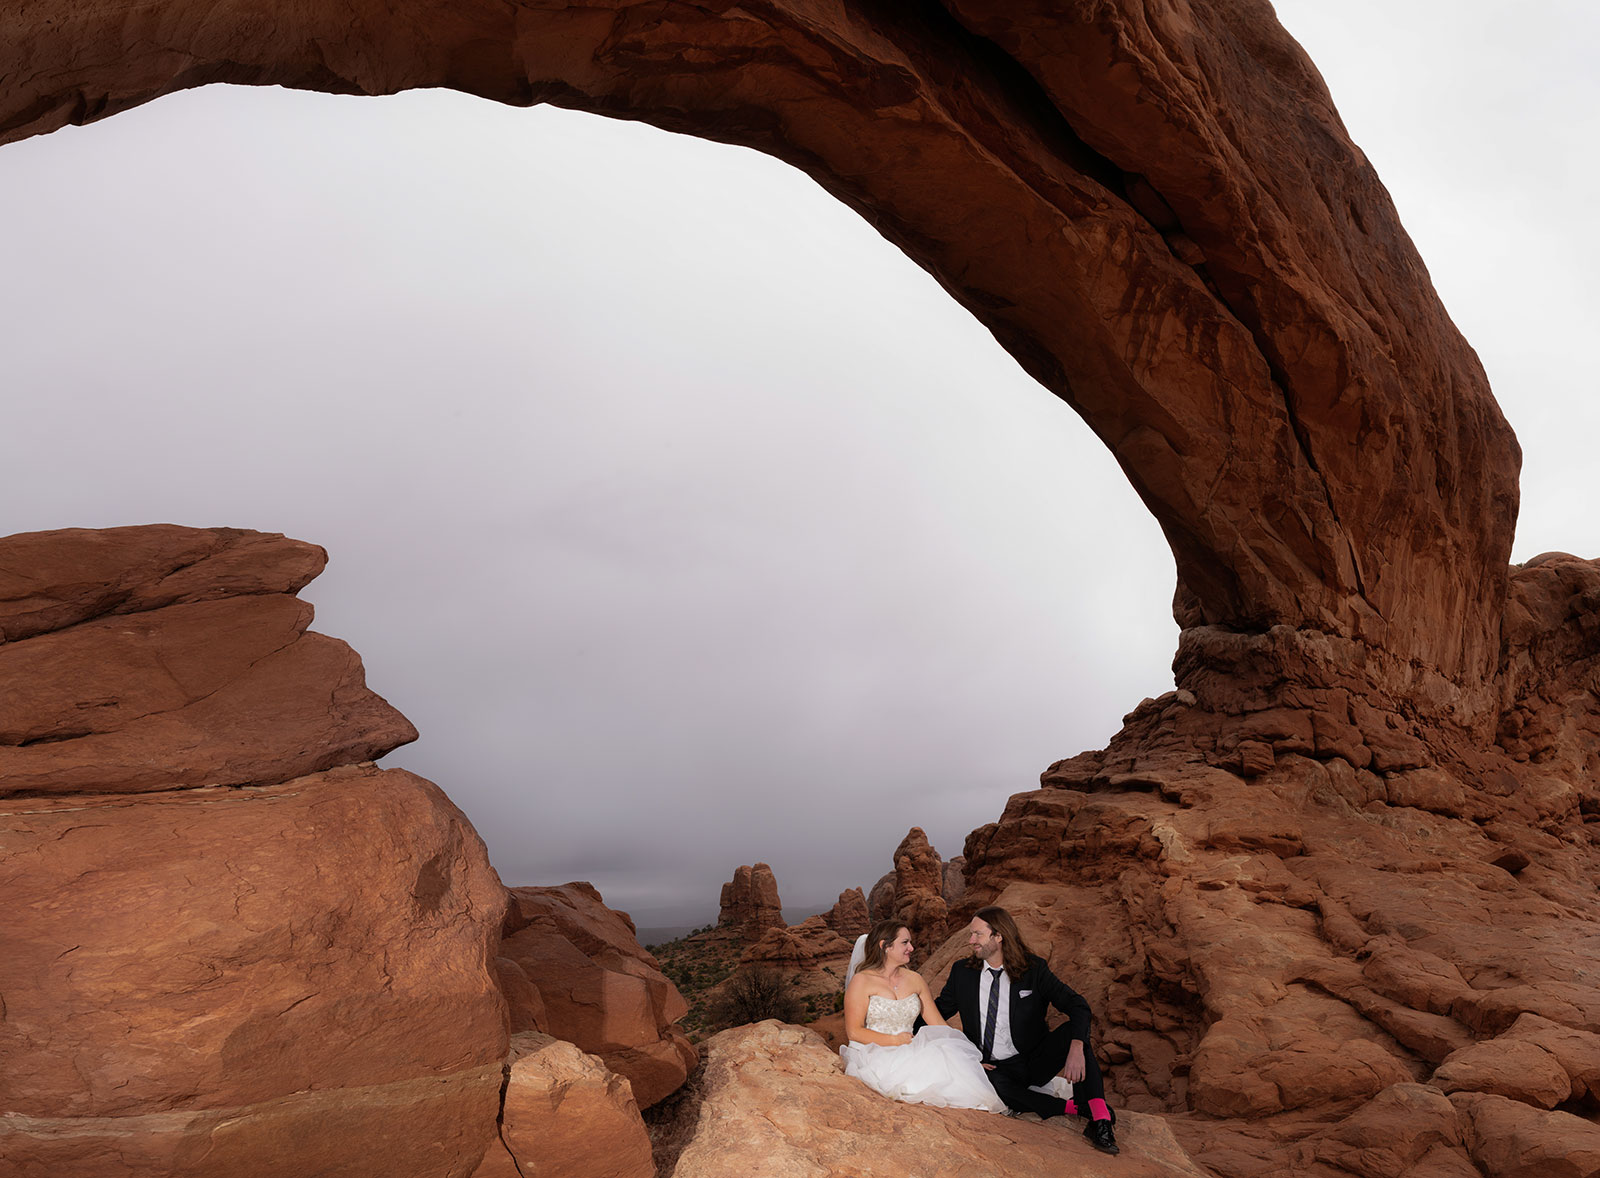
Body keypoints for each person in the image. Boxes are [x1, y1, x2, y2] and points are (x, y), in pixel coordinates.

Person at [935, 906, 1119, 1155]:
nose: (971, 941)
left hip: (1034, 1060)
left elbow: (1078, 1006)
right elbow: (938, 1012)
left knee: (1075, 1035)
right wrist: (903, 1029)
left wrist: (1076, 1047)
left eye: (977, 934)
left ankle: (1101, 1122)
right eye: (971, 934)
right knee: (995, 1087)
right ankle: (1074, 1109)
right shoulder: (962, 972)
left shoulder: (1034, 969)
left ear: (998, 936)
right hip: (994, 1068)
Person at [839, 920, 1006, 1112]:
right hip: (872, 1052)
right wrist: (894, 1041)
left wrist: (967, 1059)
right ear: (885, 946)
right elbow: (854, 1031)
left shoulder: (915, 979)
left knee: (957, 1083)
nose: (911, 947)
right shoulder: (862, 981)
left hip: (910, 1048)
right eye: (905, 943)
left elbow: (938, 1024)